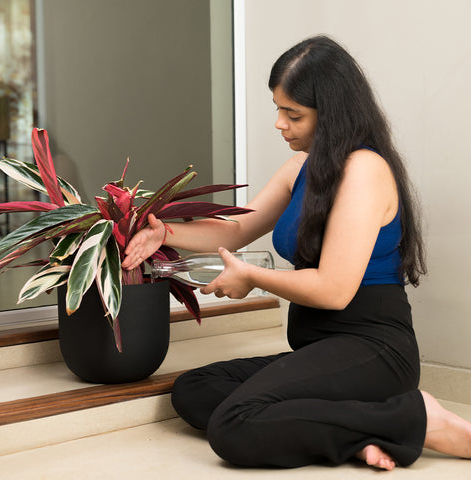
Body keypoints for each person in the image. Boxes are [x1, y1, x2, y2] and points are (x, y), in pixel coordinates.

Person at [122, 35, 471, 471]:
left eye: (294, 114)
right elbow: (236, 228)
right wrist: (164, 232)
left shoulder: (364, 170)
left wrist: (251, 277)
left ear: (333, 114)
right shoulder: (301, 167)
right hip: (318, 352)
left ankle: (417, 417)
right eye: (278, 110)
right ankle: (367, 431)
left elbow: (333, 291)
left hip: (373, 351)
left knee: (233, 426)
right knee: (196, 390)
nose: (280, 124)